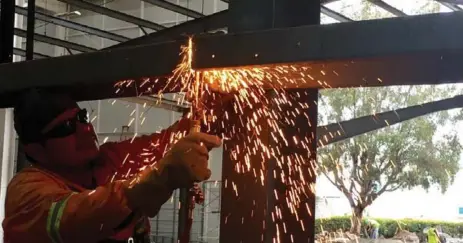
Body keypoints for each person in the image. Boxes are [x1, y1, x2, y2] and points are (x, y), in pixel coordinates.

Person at [2, 89, 223, 243]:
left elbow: (168, 142)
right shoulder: (26, 191)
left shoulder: (108, 161)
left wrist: (208, 106)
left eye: (82, 117)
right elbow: (79, 217)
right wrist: (156, 179)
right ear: (35, 150)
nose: (85, 129)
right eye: (67, 127)